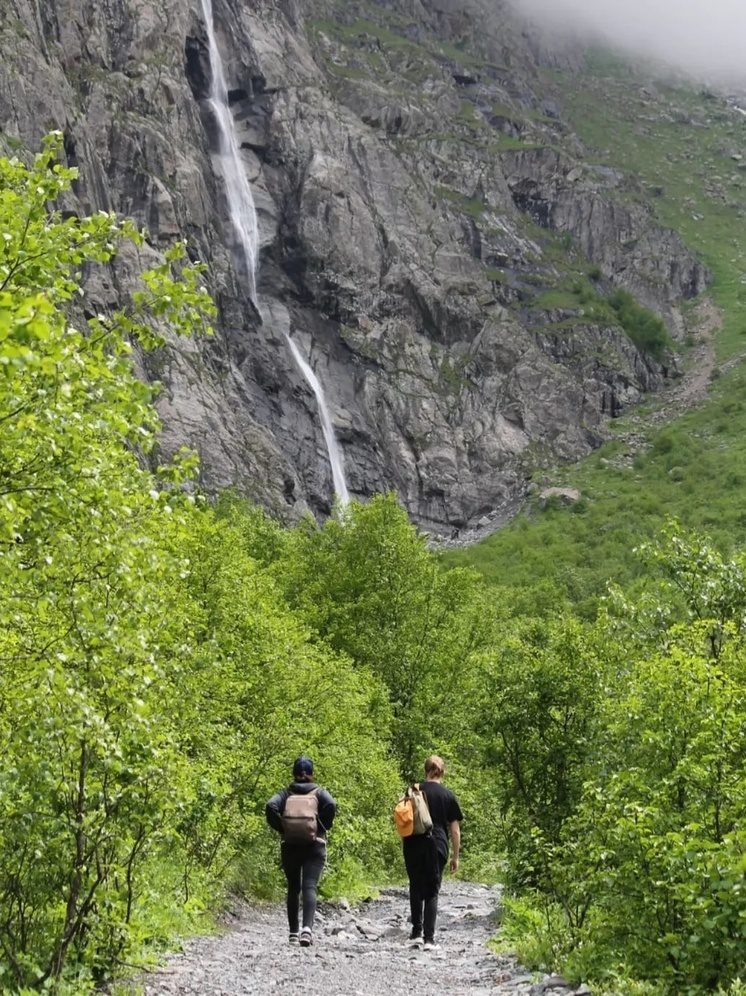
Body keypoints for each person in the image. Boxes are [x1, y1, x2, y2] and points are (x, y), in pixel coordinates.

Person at [266, 756, 336, 947]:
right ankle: (307, 930)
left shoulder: (285, 793)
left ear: (294, 774)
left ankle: (293, 933)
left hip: (290, 844)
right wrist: (322, 825)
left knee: (293, 887)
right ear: (312, 774)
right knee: (310, 886)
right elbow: (331, 805)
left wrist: (282, 827)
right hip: (315, 844)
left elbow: (270, 806)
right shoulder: (319, 792)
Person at [402, 754, 463, 951]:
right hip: (437, 844)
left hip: (413, 843)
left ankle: (416, 934)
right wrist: (455, 856)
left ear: (425, 770)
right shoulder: (448, 795)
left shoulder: (413, 790)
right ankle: (429, 939)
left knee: (415, 886)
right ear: (442, 772)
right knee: (432, 890)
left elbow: (405, 819)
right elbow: (455, 830)